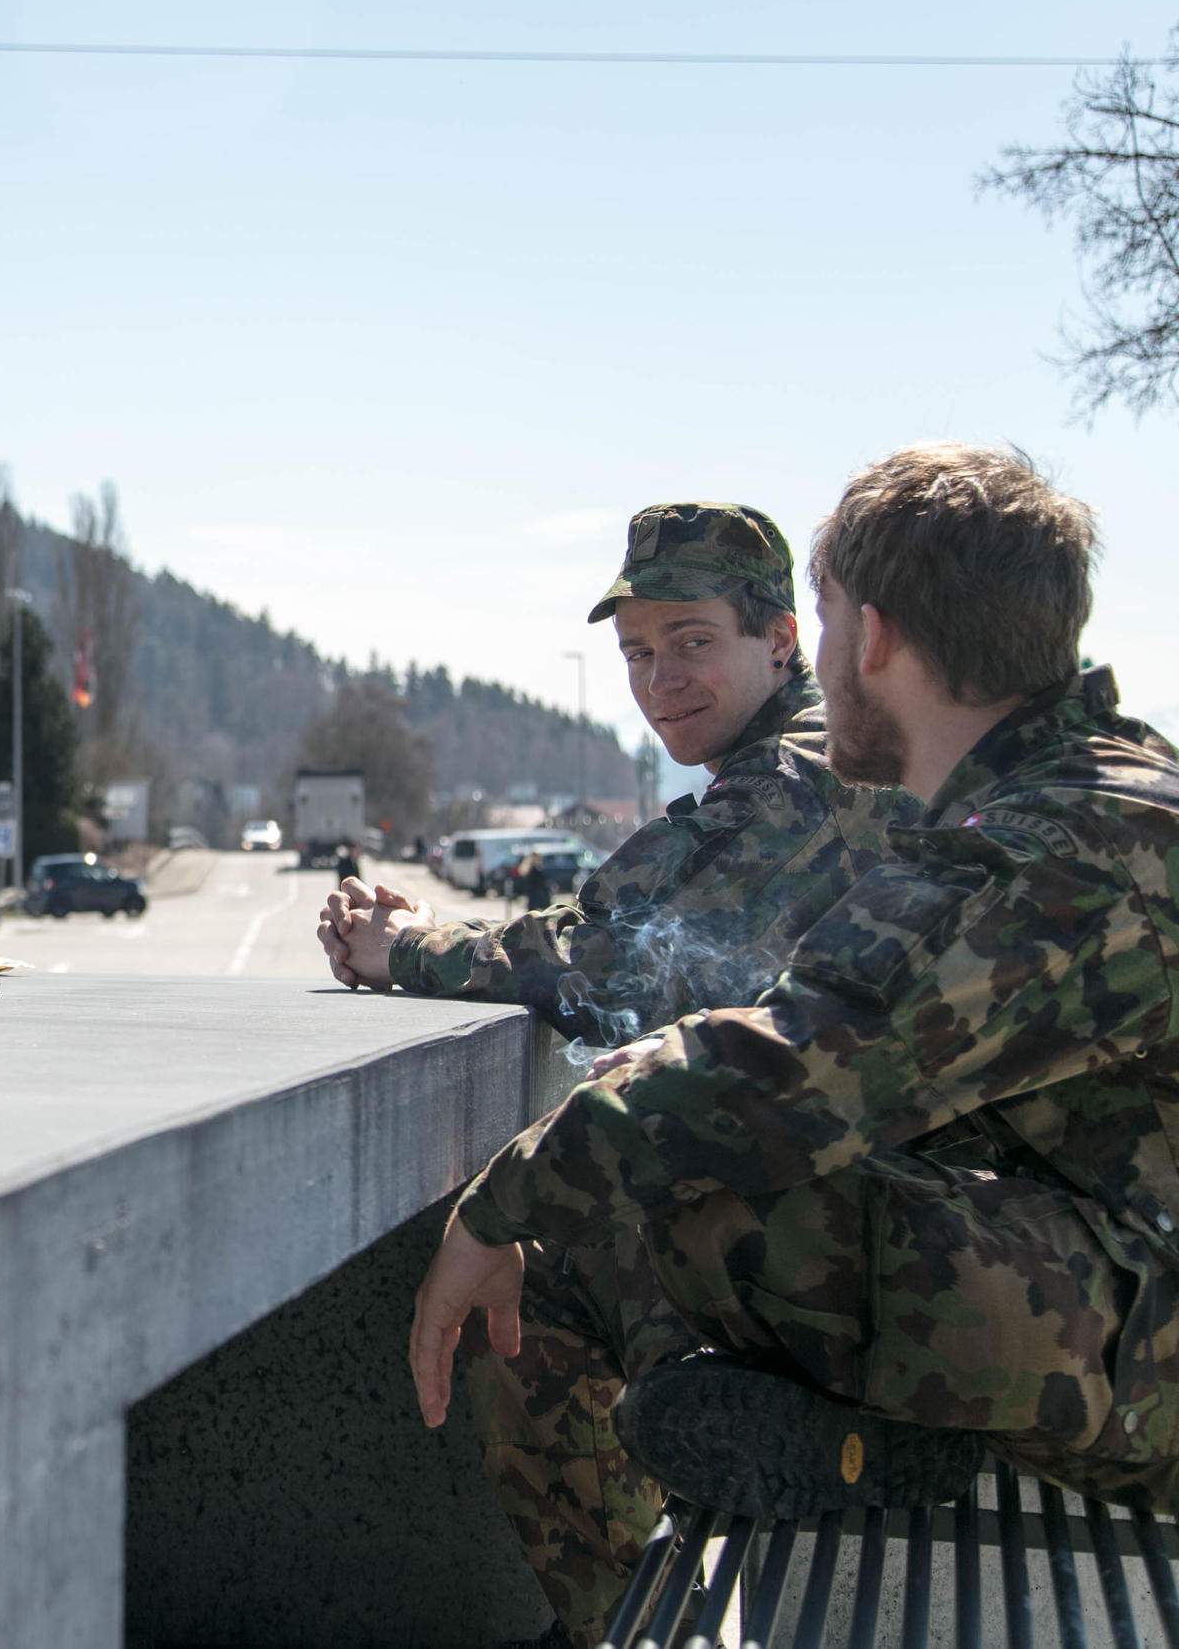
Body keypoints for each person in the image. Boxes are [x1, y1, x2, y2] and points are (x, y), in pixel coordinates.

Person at [408, 444, 1179, 1645]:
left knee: (698, 1173)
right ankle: (750, 1498)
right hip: (1119, 1273)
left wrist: (497, 1201)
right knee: (638, 1187)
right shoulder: (1068, 796)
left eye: (816, 625)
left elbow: (780, 1073)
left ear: (865, 637)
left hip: (1159, 1363)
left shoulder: (1068, 842)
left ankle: (848, 1453)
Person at [320, 502, 908, 1046]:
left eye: (694, 641)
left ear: (778, 639)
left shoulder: (802, 774)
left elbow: (613, 966)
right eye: (639, 654)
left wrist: (406, 948)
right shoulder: (819, 743)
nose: (660, 683)